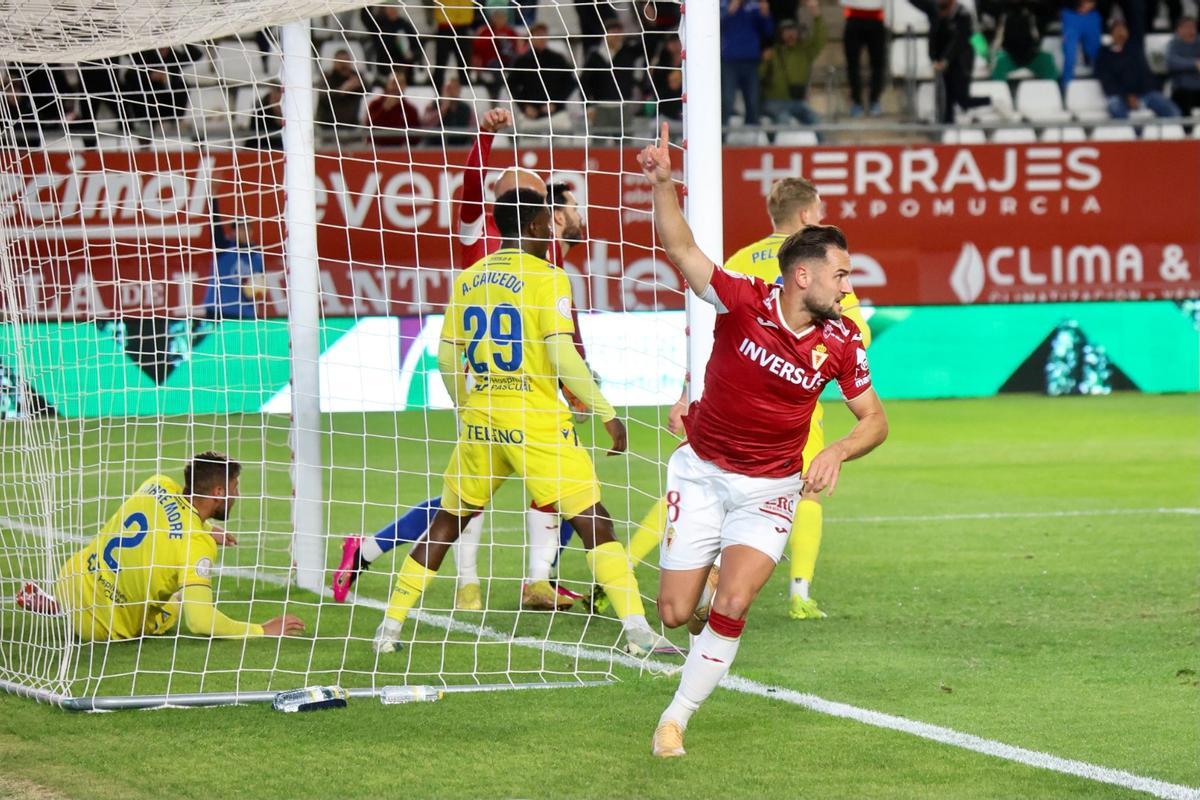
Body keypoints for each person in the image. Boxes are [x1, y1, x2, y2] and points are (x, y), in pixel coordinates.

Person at [638, 124, 888, 757]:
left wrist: (834, 451)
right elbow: (683, 248)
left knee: (737, 599)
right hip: (700, 472)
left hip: (770, 489)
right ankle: (699, 590)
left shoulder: (842, 343)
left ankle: (676, 717)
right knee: (673, 612)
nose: (848, 285)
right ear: (803, 276)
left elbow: (874, 420)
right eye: (841, 274)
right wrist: (664, 184)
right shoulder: (745, 301)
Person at [371, 188, 673, 658]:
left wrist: (467, 406)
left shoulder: (470, 277)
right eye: (550, 221)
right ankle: (638, 633)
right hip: (535, 423)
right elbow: (562, 355)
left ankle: (388, 629)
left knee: (448, 522)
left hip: (482, 421)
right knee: (595, 521)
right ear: (534, 226)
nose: (556, 227)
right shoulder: (548, 278)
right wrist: (606, 412)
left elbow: (447, 354)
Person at [332, 110, 592, 613]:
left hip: (536, 385)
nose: (525, 199)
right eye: (515, 190)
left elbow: (564, 320)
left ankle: (538, 581)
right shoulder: (477, 232)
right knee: (467, 499)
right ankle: (454, 578)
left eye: (534, 194)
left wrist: (574, 379)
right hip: (484, 384)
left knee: (553, 486)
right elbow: (472, 185)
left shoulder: (545, 250)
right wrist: (486, 136)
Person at [626, 177, 874, 621]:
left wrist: (687, 391)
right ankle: (798, 591)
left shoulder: (743, 259)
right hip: (793, 407)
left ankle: (636, 566)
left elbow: (713, 324)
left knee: (700, 483)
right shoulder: (823, 271)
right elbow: (856, 333)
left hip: (725, 398)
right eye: (819, 209)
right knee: (806, 492)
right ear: (805, 216)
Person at [43, 453, 304, 642]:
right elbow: (200, 621)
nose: (237, 495)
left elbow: (169, 517)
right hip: (99, 627)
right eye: (234, 488)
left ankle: (58, 605)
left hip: (70, 580)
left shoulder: (157, 484)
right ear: (218, 491)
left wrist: (207, 529)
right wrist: (262, 629)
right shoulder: (196, 545)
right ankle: (69, 612)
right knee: (175, 602)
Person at [910, 0, 992, 123]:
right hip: (942, 61)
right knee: (945, 101)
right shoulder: (934, 9)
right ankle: (947, 128)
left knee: (962, 99)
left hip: (961, 61)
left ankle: (992, 102)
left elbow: (959, 41)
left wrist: (945, 60)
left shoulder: (963, 14)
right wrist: (935, 59)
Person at [1095, 19, 1181, 119]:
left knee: (1173, 111)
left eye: (1123, 29)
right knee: (1115, 106)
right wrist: (1127, 96)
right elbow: (1107, 81)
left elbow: (1145, 75)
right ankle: (1131, 133)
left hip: (1143, 93)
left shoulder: (1135, 50)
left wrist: (1137, 95)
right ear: (1111, 34)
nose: (1121, 33)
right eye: (1117, 29)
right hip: (1119, 95)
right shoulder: (1104, 54)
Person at [509, 23, 581, 138]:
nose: (541, 38)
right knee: (529, 147)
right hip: (531, 116)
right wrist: (524, 106)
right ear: (531, 37)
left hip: (556, 114)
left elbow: (571, 83)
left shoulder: (558, 59)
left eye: (543, 35)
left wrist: (556, 104)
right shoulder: (522, 61)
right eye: (538, 35)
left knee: (564, 145)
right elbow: (512, 85)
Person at [581, 18, 647, 137]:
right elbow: (584, 83)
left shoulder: (628, 52)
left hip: (623, 107)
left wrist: (649, 22)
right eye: (613, 31)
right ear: (605, 34)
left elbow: (648, 44)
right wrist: (589, 107)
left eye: (619, 32)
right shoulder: (595, 55)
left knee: (625, 145)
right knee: (599, 145)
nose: (616, 35)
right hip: (600, 108)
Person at [760, 9, 826, 127]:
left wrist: (817, 16)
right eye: (786, 31)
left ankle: (823, 145)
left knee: (816, 120)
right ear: (780, 33)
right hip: (774, 102)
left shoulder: (804, 52)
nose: (790, 34)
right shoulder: (772, 53)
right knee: (784, 122)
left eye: (793, 30)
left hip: (797, 102)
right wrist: (764, 61)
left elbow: (820, 40)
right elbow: (759, 75)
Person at [721, 0, 775, 126]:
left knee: (752, 100)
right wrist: (731, 8)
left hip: (751, 61)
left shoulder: (754, 6)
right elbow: (714, 26)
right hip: (729, 61)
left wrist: (765, 14)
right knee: (727, 100)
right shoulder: (721, 4)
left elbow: (768, 31)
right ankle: (721, 137)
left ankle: (752, 136)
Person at [203, 212, 266, 321]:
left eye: (246, 228)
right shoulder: (223, 248)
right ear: (233, 232)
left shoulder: (257, 257)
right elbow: (214, 224)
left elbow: (260, 287)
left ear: (251, 231)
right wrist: (213, 200)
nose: (243, 232)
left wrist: (256, 291)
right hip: (218, 311)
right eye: (239, 228)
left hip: (244, 314)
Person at [991, 1, 1060, 80]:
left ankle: (1052, 90)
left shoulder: (1035, 10)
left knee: (1047, 61)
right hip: (1009, 56)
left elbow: (1051, 9)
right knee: (998, 64)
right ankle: (1000, 91)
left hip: (1032, 56)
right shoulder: (1002, 11)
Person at [470, 0, 525, 99]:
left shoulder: (510, 31)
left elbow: (519, 48)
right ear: (492, 18)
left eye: (503, 16)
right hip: (491, 62)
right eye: (498, 16)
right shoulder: (485, 31)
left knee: (518, 63)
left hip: (507, 59)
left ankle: (517, 88)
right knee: (496, 66)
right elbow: (477, 49)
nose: (501, 19)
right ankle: (498, 94)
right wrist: (494, 39)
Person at [841, 0, 886, 117]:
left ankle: (874, 100)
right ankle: (856, 102)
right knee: (852, 64)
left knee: (878, 64)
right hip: (853, 18)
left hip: (876, 18)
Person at [365, 67, 424, 146]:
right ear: (387, 84)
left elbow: (416, 137)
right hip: (376, 148)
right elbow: (367, 130)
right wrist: (384, 109)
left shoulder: (410, 109)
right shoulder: (375, 104)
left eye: (401, 83)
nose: (397, 87)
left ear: (405, 86)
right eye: (394, 83)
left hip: (401, 150)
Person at [317, 49, 367, 134]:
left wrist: (359, 85)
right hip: (328, 127)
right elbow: (323, 96)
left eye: (346, 61)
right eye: (340, 62)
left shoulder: (357, 77)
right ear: (334, 63)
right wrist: (342, 90)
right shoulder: (327, 77)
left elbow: (370, 91)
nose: (344, 65)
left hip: (353, 126)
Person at [360, 5, 419, 71]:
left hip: (405, 68)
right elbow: (365, 17)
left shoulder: (404, 24)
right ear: (384, 10)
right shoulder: (379, 24)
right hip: (386, 68)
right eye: (389, 8)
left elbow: (416, 45)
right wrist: (369, 3)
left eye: (393, 7)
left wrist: (413, 55)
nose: (392, 10)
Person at [423, 72, 475, 145]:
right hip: (436, 146)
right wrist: (443, 109)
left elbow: (474, 131)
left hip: (461, 146)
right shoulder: (433, 105)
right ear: (443, 89)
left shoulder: (466, 109)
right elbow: (425, 127)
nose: (453, 91)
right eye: (449, 88)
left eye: (456, 88)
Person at [1060, 0, 1102, 87]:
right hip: (1071, 15)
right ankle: (1066, 89)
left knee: (1096, 54)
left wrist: (1092, 4)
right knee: (1070, 56)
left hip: (1092, 16)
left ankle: (1101, 86)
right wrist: (1077, 5)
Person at [1166, 16, 1200, 117]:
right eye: (1187, 27)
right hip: (1182, 89)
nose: (1191, 30)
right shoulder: (1174, 44)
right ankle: (1187, 131)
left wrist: (1185, 65)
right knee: (1184, 97)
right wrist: (1194, 64)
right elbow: (1171, 62)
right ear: (1179, 29)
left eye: (1193, 27)